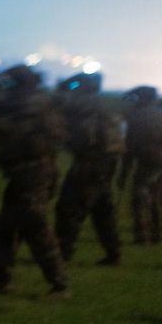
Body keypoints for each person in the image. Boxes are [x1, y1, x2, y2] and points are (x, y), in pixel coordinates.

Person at [0, 65, 69, 296]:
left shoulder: (31, 103)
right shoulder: (24, 99)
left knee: (35, 227)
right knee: (7, 227)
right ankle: (3, 278)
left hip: (32, 173)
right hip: (22, 173)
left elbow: (12, 130)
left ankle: (59, 283)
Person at [53, 72, 124, 266]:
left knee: (70, 208)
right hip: (107, 162)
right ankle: (113, 252)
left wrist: (65, 86)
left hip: (89, 162)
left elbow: (64, 117)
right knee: (102, 209)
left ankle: (63, 253)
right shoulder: (101, 105)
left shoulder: (83, 104)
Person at [118, 86, 162, 245]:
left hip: (147, 158)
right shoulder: (160, 114)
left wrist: (123, 174)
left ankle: (142, 234)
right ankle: (157, 232)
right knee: (155, 194)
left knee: (140, 195)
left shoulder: (138, 116)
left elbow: (130, 146)